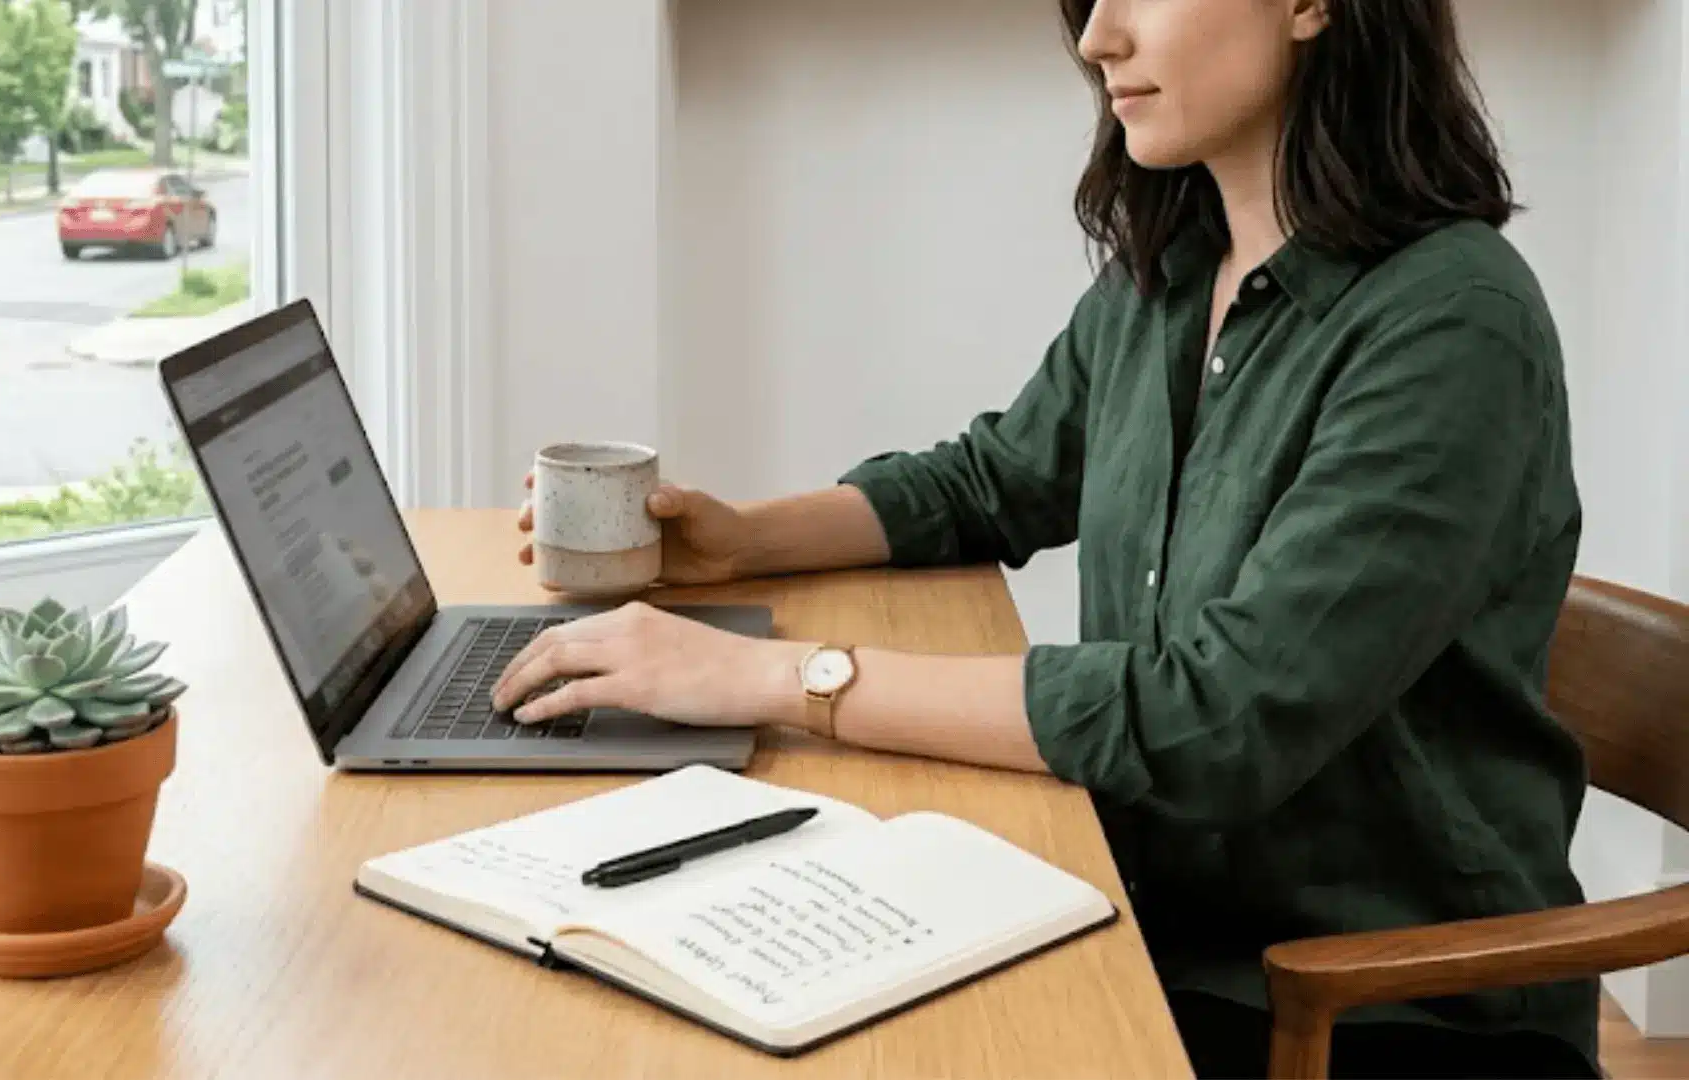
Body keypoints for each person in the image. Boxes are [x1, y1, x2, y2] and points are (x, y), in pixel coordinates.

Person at [492, 0, 1599, 1075]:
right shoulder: (1169, 271)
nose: (1096, 36)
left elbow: (1221, 718)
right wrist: (738, 544)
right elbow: (996, 480)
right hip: (1139, 909)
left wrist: (782, 679)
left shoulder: (1452, 325)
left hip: (1367, 1005)